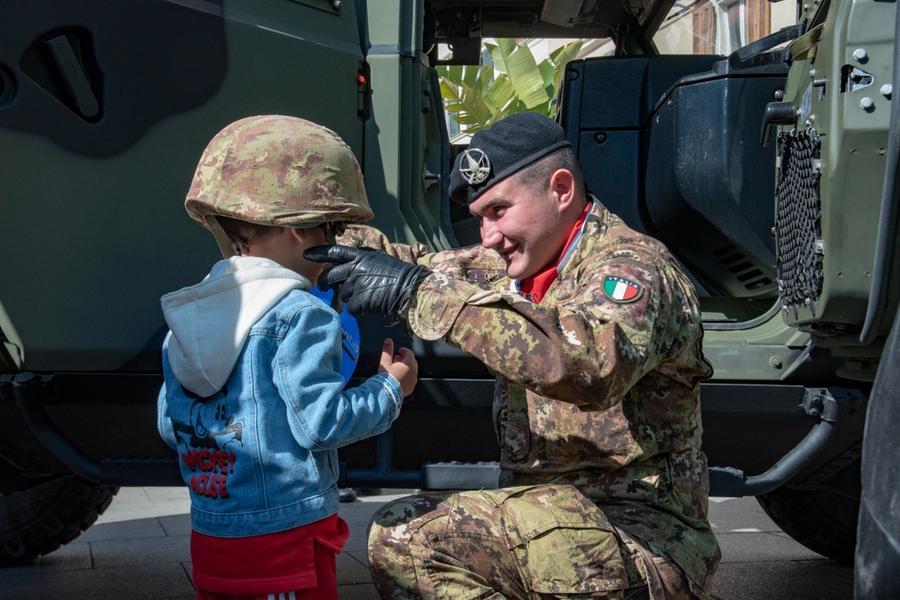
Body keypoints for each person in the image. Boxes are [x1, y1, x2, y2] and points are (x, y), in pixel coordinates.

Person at [306, 112, 721, 599]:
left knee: (416, 538)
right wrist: (309, 231)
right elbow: (410, 263)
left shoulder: (632, 268)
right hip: (554, 524)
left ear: (561, 189)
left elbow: (586, 367)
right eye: (480, 217)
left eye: (499, 211)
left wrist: (416, 295)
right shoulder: (517, 265)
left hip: (640, 538)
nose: (486, 236)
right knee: (407, 535)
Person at [156, 115, 418, 600]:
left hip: (211, 531)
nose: (337, 242)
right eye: (334, 228)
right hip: (287, 532)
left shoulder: (187, 314)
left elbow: (172, 427)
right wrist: (390, 387)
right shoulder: (300, 313)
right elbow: (321, 426)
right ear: (301, 229)